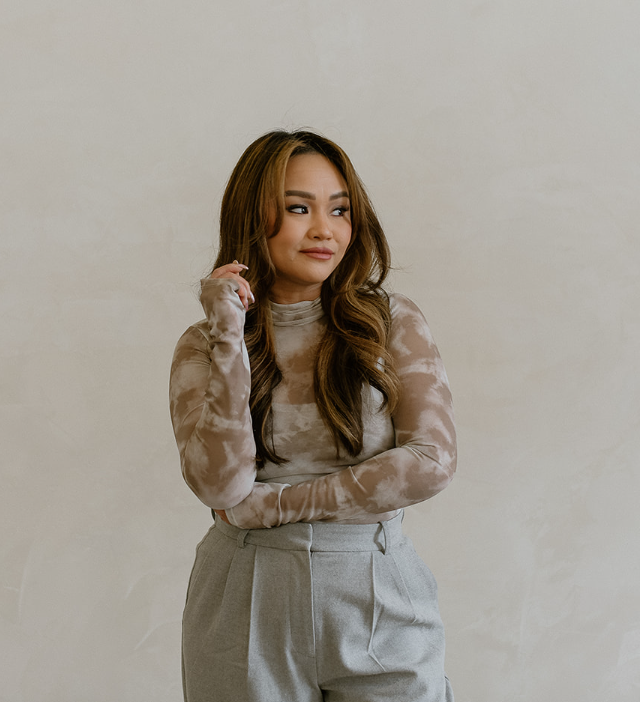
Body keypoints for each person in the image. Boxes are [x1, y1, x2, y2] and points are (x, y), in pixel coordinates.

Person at [168, 129, 457, 701]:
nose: (325, 229)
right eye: (299, 208)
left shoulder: (391, 322)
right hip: (245, 592)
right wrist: (229, 332)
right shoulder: (203, 346)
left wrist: (276, 504)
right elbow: (220, 487)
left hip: (377, 587)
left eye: (340, 210)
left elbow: (431, 461)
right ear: (255, 216)